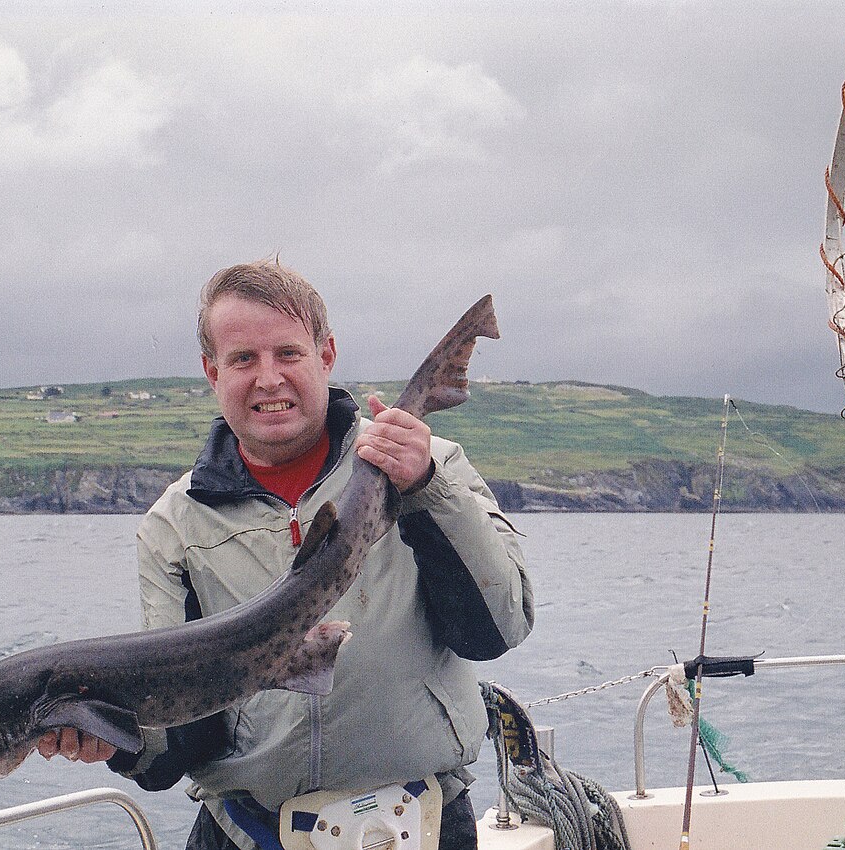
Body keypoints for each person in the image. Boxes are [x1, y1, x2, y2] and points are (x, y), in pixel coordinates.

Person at [39, 259, 533, 850]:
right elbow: (184, 738)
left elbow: (497, 629)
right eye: (243, 359)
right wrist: (115, 738)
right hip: (249, 833)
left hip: (421, 825)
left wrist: (427, 488)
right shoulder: (175, 523)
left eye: (288, 354)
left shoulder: (433, 464)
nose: (268, 378)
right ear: (211, 371)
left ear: (326, 355)